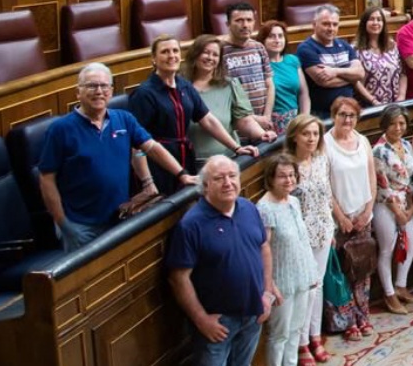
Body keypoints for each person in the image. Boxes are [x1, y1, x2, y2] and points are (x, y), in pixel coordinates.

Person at [39, 63, 196, 252]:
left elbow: (152, 148)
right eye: (92, 86)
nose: (99, 91)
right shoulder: (60, 129)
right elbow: (46, 179)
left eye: (104, 86)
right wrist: (63, 223)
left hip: (119, 219)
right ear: (78, 92)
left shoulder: (124, 119)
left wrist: (181, 174)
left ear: (111, 91)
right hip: (81, 226)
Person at [166, 155, 279, 366]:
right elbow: (178, 278)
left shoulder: (248, 208)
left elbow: (264, 248)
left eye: (232, 176)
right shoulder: (191, 225)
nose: (228, 183)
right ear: (206, 186)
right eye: (219, 178)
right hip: (217, 322)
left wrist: (267, 292)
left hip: (252, 312)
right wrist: (201, 319)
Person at [130, 35, 256, 196]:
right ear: (154, 58)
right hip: (157, 165)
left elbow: (207, 119)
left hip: (185, 160)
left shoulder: (184, 85)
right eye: (165, 52)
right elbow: (136, 144)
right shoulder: (144, 94)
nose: (171, 55)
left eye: (175, 51)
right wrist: (147, 181)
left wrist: (236, 147)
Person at [256, 154, 318, 366]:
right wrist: (270, 285)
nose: (288, 180)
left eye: (292, 175)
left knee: (295, 330)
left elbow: (301, 241)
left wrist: (311, 272)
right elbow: (263, 248)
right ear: (270, 178)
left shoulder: (293, 201)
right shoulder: (264, 208)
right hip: (280, 280)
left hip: (301, 276)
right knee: (278, 335)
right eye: (282, 175)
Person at [324, 97, 376, 340]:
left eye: (351, 115)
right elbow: (325, 185)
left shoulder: (362, 140)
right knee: (343, 271)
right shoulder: (325, 144)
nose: (347, 120)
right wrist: (341, 216)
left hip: (362, 215)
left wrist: (367, 210)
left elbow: (371, 177)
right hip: (339, 219)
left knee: (362, 268)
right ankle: (347, 321)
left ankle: (363, 315)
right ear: (334, 115)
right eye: (342, 114)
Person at [285, 114, 333, 366]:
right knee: (305, 289)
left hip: (323, 230)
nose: (312, 138)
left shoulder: (321, 160)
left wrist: (332, 227)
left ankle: (315, 335)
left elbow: (327, 196)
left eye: (315, 133)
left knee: (318, 285)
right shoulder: (288, 166)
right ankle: (302, 341)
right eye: (306, 133)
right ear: (295, 136)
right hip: (300, 236)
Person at [182, 35, 273, 161]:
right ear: (195, 54)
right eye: (206, 53)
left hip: (227, 159)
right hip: (191, 162)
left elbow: (244, 120)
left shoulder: (229, 85)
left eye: (215, 55)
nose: (210, 58)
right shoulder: (180, 87)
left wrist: (261, 134)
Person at [372, 105, 413, 314]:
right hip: (385, 203)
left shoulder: (407, 145)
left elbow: (409, 177)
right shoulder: (379, 150)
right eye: (393, 123)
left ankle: (401, 284)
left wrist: (410, 207)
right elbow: (381, 183)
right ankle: (389, 294)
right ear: (385, 124)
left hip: (404, 199)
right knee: (387, 248)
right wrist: (397, 211)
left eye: (401, 123)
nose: (398, 127)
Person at [297, 5, 366, 117]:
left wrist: (335, 72)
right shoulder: (306, 48)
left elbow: (360, 73)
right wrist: (351, 77)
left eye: (335, 24)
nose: (331, 28)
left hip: (348, 112)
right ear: (314, 24)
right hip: (322, 115)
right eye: (326, 24)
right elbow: (324, 81)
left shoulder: (344, 45)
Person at [220, 2, 275, 133]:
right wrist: (254, 119)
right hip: (237, 128)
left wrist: (266, 116)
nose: (245, 25)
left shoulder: (259, 47)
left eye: (249, 20)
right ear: (227, 24)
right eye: (239, 20)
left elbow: (270, 85)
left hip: (263, 124)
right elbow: (222, 95)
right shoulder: (220, 51)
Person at [258, 20, 310, 131]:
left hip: (294, 121)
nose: (277, 40)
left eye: (280, 36)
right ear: (263, 40)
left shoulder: (292, 60)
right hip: (268, 124)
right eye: (271, 36)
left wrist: (305, 119)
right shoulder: (258, 64)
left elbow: (303, 93)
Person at [353, 5, 407, 107]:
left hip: (394, 105)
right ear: (364, 23)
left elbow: (403, 73)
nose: (375, 23)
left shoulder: (392, 45)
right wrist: (373, 101)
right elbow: (355, 81)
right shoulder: (356, 49)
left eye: (379, 20)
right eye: (371, 19)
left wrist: (401, 97)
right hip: (369, 106)